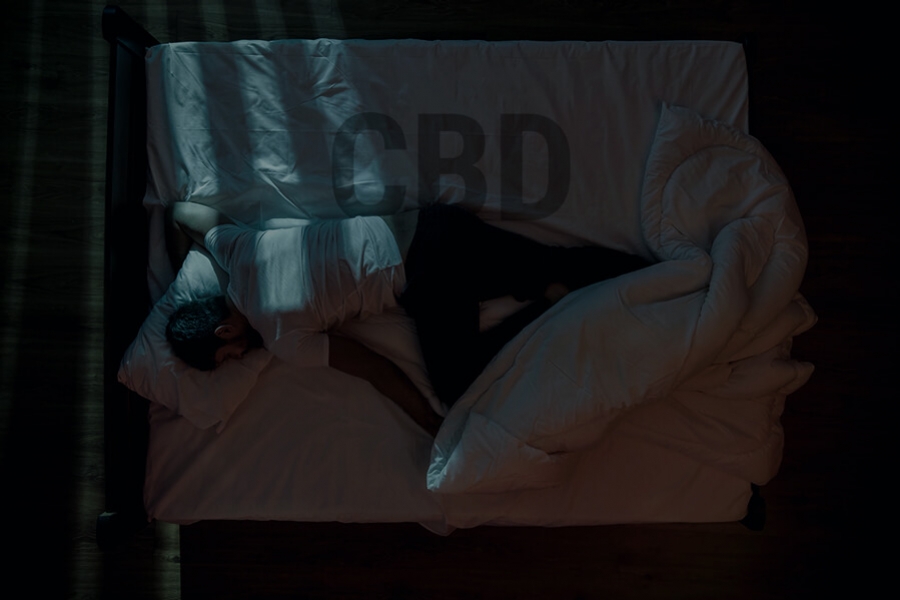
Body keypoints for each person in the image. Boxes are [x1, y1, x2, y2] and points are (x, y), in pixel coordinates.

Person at [164, 201, 650, 436]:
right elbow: (179, 211)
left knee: (459, 388)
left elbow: (376, 370)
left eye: (227, 355)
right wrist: (216, 277)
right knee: (558, 261)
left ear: (224, 330)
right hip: (435, 224)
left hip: (428, 279)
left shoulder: (281, 337)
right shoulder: (236, 246)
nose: (238, 358)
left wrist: (429, 423)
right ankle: (659, 274)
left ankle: (546, 305)